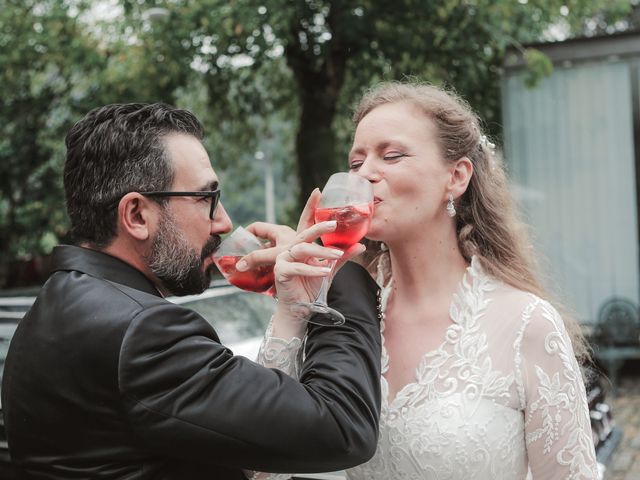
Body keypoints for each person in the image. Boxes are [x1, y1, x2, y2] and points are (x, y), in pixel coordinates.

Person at [1, 103, 383, 479]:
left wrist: (295, 309)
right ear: (136, 215)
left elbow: (240, 441)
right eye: (206, 198)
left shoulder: (55, 306)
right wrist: (337, 267)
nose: (224, 222)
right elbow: (341, 427)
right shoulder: (142, 333)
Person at [255, 82, 598, 479]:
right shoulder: (339, 322)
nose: (365, 174)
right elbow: (264, 469)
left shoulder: (527, 325)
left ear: (456, 177)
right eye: (355, 162)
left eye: (392, 155)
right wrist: (293, 310)